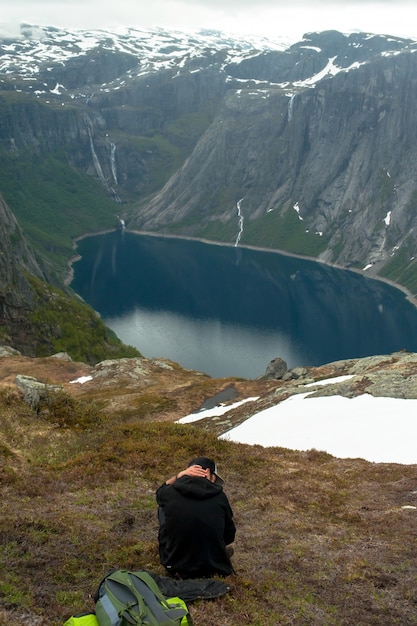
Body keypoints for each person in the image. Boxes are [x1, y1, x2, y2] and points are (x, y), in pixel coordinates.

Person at [156, 457, 236, 579]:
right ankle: (212, 554)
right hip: (215, 567)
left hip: (175, 567)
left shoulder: (169, 493)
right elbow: (230, 535)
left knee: (163, 508)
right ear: (210, 473)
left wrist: (178, 476)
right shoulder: (220, 497)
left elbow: (159, 492)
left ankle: (176, 555)